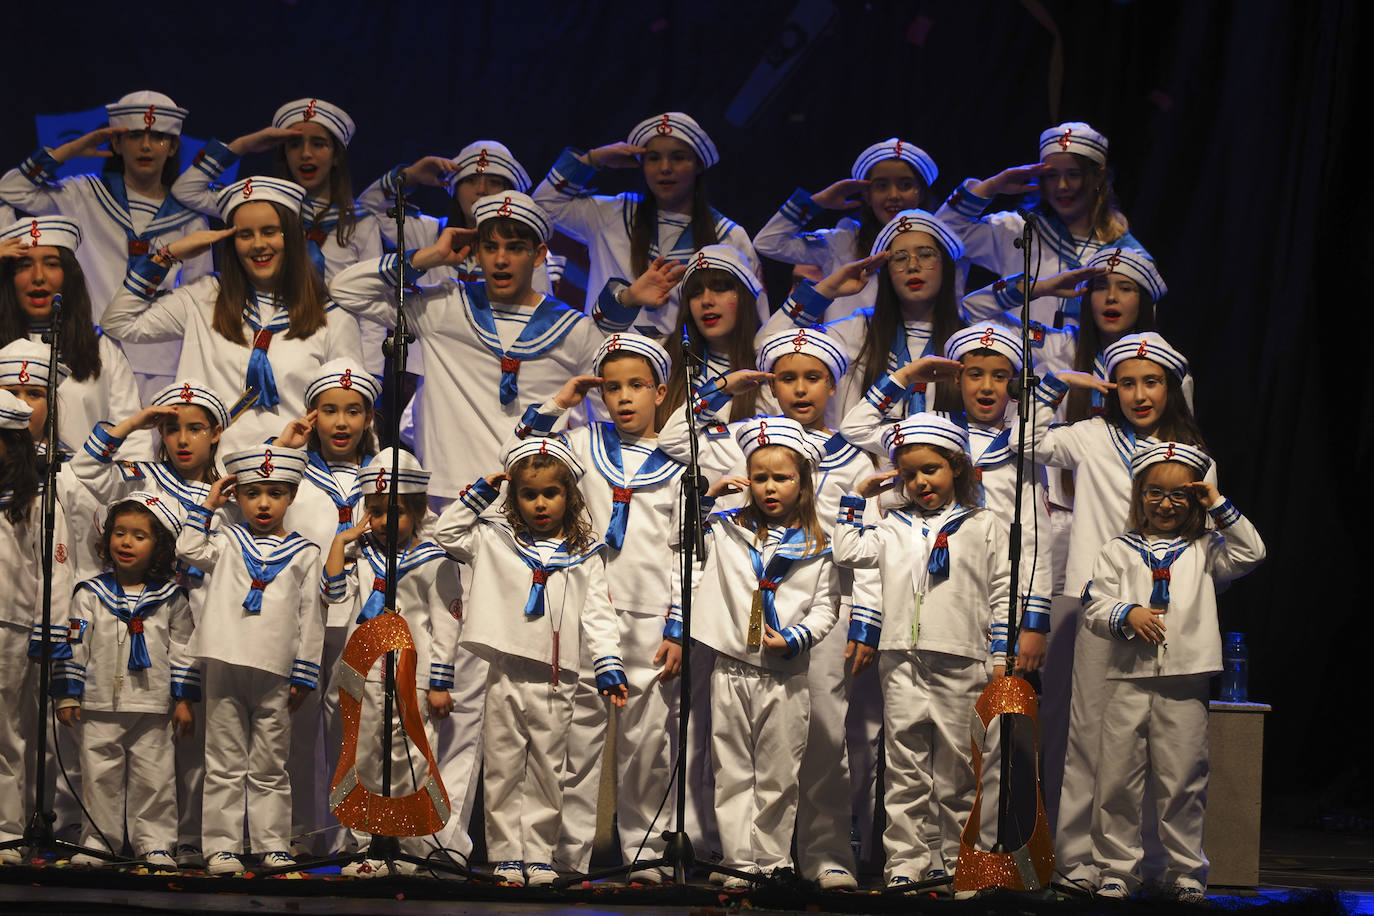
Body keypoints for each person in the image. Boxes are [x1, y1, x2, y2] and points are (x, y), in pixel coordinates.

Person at [1019, 331, 1211, 889]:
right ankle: (1079, 860)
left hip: (1168, 617)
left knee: (1166, 749)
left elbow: (1211, 540)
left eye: (1151, 382)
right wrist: (1059, 384)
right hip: (1100, 607)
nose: (1139, 393)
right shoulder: (1090, 436)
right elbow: (1024, 440)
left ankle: (1155, 865)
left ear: (1170, 387)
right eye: (1126, 382)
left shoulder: (1194, 456)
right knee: (1088, 735)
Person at [511, 333, 685, 883]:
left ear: (661, 392)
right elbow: (523, 452)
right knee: (575, 739)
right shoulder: (585, 443)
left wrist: (678, 623)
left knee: (647, 742)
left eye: (636, 386)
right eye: (612, 388)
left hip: (651, 615)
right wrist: (562, 401)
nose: (624, 398)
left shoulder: (682, 459)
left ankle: (645, 854)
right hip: (584, 609)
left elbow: (692, 550)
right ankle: (567, 855)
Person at [433, 436, 626, 887]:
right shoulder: (494, 540)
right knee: (502, 767)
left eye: (551, 494)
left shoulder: (584, 552)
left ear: (570, 496)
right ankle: (504, 853)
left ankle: (538, 853)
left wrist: (608, 665)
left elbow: (598, 613)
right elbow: (446, 533)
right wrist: (481, 490)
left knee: (547, 769)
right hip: (506, 672)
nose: (541, 504)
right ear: (514, 498)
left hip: (557, 678)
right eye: (529, 494)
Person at [834, 413, 1009, 889]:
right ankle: (906, 864)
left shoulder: (985, 524)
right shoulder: (893, 525)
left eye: (930, 469)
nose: (919, 481)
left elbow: (1001, 591)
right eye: (909, 474)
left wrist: (999, 657)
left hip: (960, 656)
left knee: (960, 770)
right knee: (906, 768)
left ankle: (962, 864)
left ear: (957, 468)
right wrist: (859, 495)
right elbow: (848, 550)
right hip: (901, 657)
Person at [1084, 443, 1265, 901]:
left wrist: (1217, 504)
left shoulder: (1206, 549)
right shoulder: (1118, 550)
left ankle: (1185, 871)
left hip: (1185, 680)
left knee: (1183, 779)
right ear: (1138, 495)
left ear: (1194, 499)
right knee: (1117, 780)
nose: (1166, 504)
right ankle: (1117, 869)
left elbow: (1253, 552)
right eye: (1154, 493)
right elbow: (1094, 605)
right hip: (1129, 678)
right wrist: (1127, 613)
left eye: (1178, 495)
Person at [70, 379, 230, 867]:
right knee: (135, 749)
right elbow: (85, 467)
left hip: (199, 619)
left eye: (195, 428)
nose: (182, 439)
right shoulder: (141, 476)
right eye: (172, 428)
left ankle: (187, 838)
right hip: (132, 618)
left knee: (193, 746)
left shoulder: (226, 491)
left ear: (216, 433)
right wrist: (137, 422)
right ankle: (109, 837)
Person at [102, 177, 363, 453]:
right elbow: (118, 322)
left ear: (294, 236)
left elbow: (351, 412)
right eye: (245, 235)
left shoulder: (332, 317)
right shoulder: (203, 298)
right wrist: (168, 255)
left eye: (270, 231)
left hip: (291, 482)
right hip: (206, 479)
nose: (258, 244)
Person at [687, 417, 839, 885]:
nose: (770, 488)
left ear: (804, 482)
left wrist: (796, 637)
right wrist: (708, 494)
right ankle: (737, 862)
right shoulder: (727, 530)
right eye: (760, 478)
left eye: (782, 478)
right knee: (732, 769)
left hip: (785, 672)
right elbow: (682, 540)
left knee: (778, 773)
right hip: (731, 668)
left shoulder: (820, 543)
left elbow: (826, 607)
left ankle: (771, 862)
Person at [0, 91, 212, 398]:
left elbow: (199, 299)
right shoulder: (84, 194)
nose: (145, 146)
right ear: (115, 143)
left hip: (163, 359)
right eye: (135, 135)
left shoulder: (189, 217)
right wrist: (68, 151)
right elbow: (10, 189)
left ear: (174, 146)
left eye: (159, 137)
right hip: (90, 354)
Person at [176, 445, 322, 875]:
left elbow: (311, 614)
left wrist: (305, 671)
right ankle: (221, 846)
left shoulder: (306, 553)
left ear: (292, 497)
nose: (263, 503)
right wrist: (208, 503)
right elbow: (187, 548)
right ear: (237, 495)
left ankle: (272, 843)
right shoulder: (226, 541)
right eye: (253, 492)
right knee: (222, 761)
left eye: (275, 493)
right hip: (225, 660)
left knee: (270, 763)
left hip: (276, 668)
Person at [321, 448, 461, 876]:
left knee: (410, 760)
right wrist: (341, 541)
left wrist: (439, 682)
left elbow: (446, 624)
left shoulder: (434, 559)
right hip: (362, 674)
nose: (382, 521)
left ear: (418, 510)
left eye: (393, 511)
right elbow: (333, 595)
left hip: (409, 677)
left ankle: (411, 846)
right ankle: (366, 845)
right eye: (375, 511)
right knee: (361, 758)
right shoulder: (360, 554)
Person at [270, 358, 379, 856]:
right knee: (292, 730)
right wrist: (282, 448)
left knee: (351, 730)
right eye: (329, 411)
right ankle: (292, 834)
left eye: (353, 412)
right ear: (313, 416)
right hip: (301, 616)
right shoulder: (291, 470)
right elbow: (251, 501)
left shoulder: (384, 471)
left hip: (359, 617)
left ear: (369, 419)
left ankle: (349, 838)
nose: (341, 423)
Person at [58, 494, 197, 871]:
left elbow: (184, 649)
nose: (126, 542)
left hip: (153, 706)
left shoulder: (170, 598)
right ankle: (98, 842)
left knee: (155, 779)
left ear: (159, 545)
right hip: (99, 703)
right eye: (119, 533)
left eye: (139, 535)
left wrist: (183, 698)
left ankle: (154, 843)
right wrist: (68, 694)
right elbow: (75, 645)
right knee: (99, 777)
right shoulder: (89, 594)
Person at [533, 111, 765, 335]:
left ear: (699, 165)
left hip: (688, 371)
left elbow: (755, 319)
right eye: (653, 158)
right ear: (641, 164)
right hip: (607, 367)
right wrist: (593, 159)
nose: (665, 168)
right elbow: (542, 206)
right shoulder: (610, 214)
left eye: (678, 157)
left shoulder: (729, 236)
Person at [758, 209, 966, 425]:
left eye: (925, 255)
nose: (913, 266)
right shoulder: (856, 332)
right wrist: (828, 289)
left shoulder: (968, 340)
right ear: (886, 272)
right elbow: (766, 344)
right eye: (899, 258)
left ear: (946, 266)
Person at [936, 121, 1144, 328]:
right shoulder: (1019, 231)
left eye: (1073, 175)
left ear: (1098, 176)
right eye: (1052, 175)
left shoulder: (1129, 254)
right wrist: (991, 186)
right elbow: (940, 237)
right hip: (1017, 358)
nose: (1062, 186)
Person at [0, 218, 149, 456]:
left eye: (51, 264)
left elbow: (132, 438)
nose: (38, 276)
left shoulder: (100, 346)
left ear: (69, 276)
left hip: (88, 489)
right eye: (24, 265)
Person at [0, 389, 74, 864]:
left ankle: (5, 832)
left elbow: (56, 569)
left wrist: (49, 631)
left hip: (9, 624)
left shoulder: (37, 498)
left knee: (8, 736)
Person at [753, 137, 939, 322]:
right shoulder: (842, 242)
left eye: (905, 185)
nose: (894, 195)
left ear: (920, 191)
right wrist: (816, 203)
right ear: (866, 194)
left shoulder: (941, 244)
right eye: (882, 186)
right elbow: (768, 243)